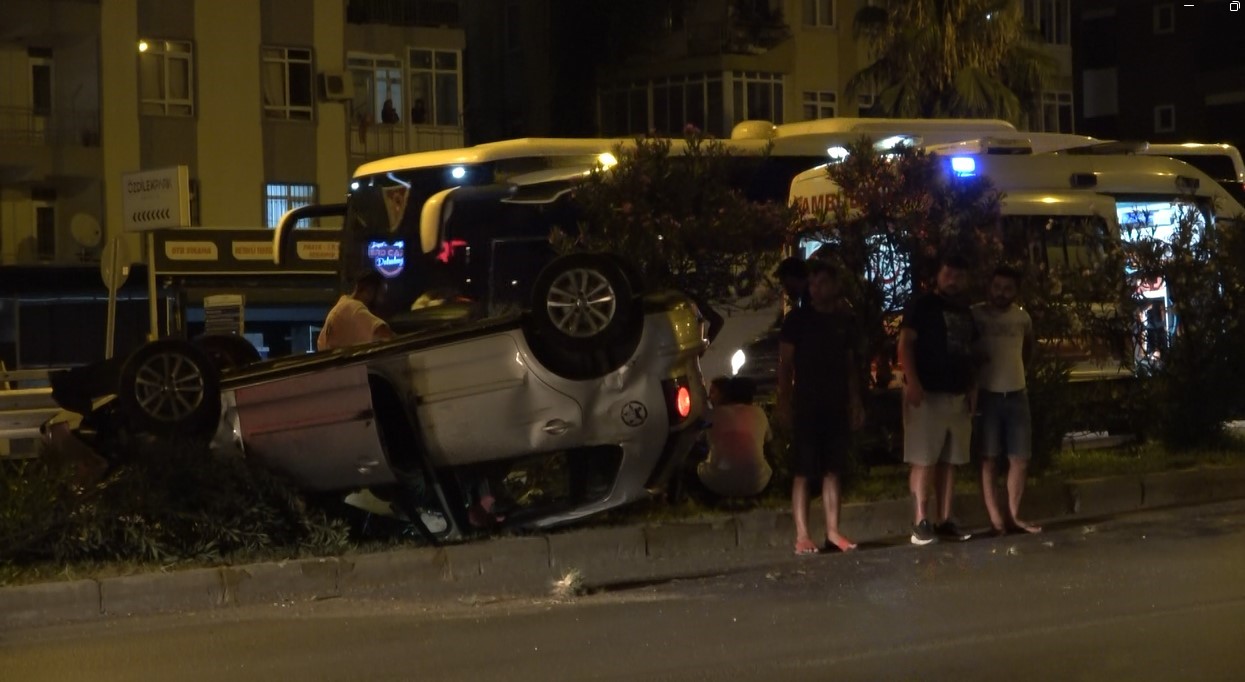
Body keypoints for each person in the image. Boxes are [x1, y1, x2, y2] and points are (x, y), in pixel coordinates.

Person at [776, 258, 865, 555]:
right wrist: (784, 402)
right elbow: (785, 366)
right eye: (812, 283)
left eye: (822, 283)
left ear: (835, 285)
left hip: (835, 403)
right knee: (803, 471)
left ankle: (833, 531)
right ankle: (802, 535)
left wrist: (855, 401)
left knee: (832, 470)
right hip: (807, 405)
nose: (815, 289)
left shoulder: (844, 321)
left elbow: (850, 365)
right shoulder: (797, 321)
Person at [899, 254, 977, 545]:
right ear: (938, 275)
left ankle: (945, 518)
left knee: (949, 460)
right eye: (948, 273)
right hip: (927, 394)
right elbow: (905, 343)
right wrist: (913, 380)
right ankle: (920, 520)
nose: (953, 279)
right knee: (923, 459)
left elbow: (970, 351)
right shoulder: (922, 305)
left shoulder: (965, 311)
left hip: (957, 393)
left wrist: (972, 387)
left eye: (958, 274)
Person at [973, 265, 1041, 535]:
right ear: (989, 287)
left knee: (1020, 458)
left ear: (1016, 291)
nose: (1001, 293)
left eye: (1008, 288)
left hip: (1017, 394)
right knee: (988, 458)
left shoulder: (1022, 318)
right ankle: (996, 521)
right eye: (997, 287)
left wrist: (1021, 373)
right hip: (988, 395)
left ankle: (1013, 516)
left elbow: (1029, 349)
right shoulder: (975, 316)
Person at [697, 377, 772, 499]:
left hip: (717, 481)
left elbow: (699, 436)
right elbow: (769, 440)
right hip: (756, 483)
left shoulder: (713, 415)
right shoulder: (759, 413)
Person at [317, 271, 395, 351]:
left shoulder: (342, 306)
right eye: (381, 294)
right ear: (369, 290)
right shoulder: (353, 307)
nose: (382, 301)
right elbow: (384, 333)